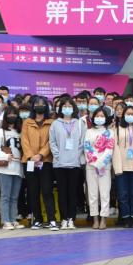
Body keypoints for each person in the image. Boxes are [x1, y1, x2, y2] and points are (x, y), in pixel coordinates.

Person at [22, 97, 58, 230]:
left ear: (46, 107)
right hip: (30, 161)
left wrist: (41, 155)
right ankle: (37, 219)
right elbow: (24, 140)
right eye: (37, 104)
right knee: (33, 191)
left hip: (46, 161)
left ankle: (52, 219)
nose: (39, 106)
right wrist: (31, 156)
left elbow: (51, 141)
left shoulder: (52, 122)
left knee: (47, 191)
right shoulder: (27, 122)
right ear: (33, 106)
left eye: (42, 104)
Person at [50, 97, 85, 230]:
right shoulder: (55, 124)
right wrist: (58, 156)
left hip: (74, 163)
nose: (67, 108)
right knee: (62, 192)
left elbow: (82, 141)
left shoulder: (79, 123)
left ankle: (71, 219)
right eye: (64, 106)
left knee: (72, 192)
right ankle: (64, 219)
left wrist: (76, 155)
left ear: (74, 108)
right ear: (60, 109)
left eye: (70, 106)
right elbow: (52, 142)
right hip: (59, 164)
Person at [0, 108, 24, 230]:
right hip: (5, 167)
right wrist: (5, 156)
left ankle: (13, 219)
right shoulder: (0, 131)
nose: (12, 116)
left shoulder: (20, 131)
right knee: (5, 195)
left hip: (18, 167)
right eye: (9, 114)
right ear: (5, 116)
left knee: (14, 196)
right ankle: (6, 221)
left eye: (14, 114)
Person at [84, 107, 115, 229]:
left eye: (102, 116)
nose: (99, 118)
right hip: (91, 166)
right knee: (92, 194)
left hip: (105, 167)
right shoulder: (89, 131)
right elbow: (87, 147)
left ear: (106, 118)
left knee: (104, 194)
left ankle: (104, 219)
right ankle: (95, 219)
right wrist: (95, 162)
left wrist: (101, 163)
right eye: (97, 116)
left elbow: (109, 149)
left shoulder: (110, 132)